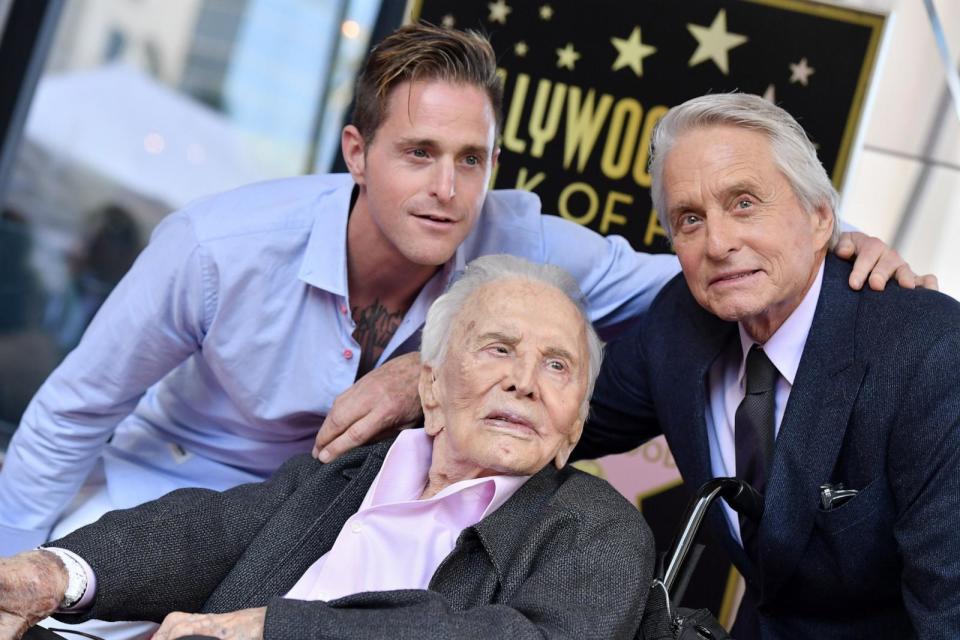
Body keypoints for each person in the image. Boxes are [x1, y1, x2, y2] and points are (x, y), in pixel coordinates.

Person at [0, 23, 911, 559]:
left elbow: (707, 268)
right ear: (357, 154)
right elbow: (69, 415)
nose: (448, 188)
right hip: (163, 488)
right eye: (419, 154)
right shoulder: (213, 248)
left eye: (471, 159)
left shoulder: (519, 236)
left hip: (344, 527)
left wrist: (834, 246)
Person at [0, 255, 654, 640]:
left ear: (574, 425)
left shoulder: (595, 528)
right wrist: (54, 575)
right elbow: (210, 530)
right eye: (499, 349)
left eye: (558, 366)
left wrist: (276, 630)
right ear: (430, 387)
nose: (524, 381)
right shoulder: (354, 473)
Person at [575, 93, 960, 638]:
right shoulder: (675, 325)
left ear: (821, 217)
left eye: (744, 203)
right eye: (689, 218)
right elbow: (555, 421)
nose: (719, 242)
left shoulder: (931, 351)